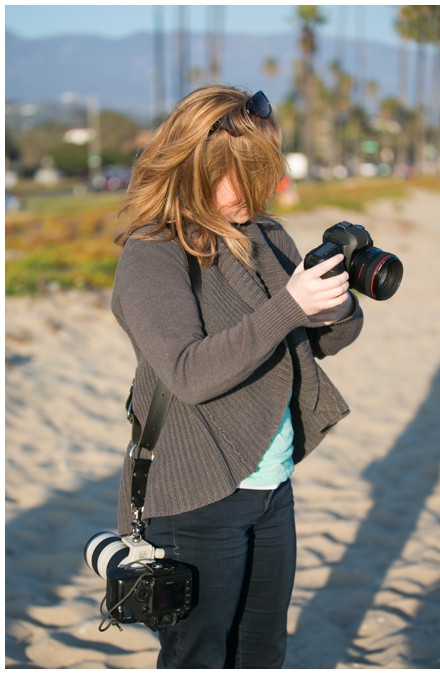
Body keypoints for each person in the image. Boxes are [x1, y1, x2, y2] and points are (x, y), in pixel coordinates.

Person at [111, 85, 363, 668]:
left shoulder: (268, 237)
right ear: (194, 168)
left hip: (272, 487)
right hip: (197, 495)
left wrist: (339, 310)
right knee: (201, 653)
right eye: (241, 176)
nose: (257, 191)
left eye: (264, 174)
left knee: (261, 652)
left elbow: (316, 343)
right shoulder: (153, 253)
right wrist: (290, 307)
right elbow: (187, 372)